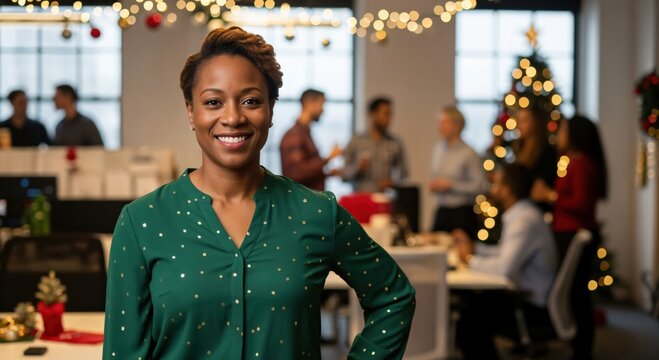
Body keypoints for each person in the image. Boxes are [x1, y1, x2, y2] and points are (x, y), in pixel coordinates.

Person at [103, 27, 415, 360]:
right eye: (213, 102)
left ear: (270, 109)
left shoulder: (316, 212)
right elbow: (123, 351)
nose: (233, 117)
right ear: (191, 112)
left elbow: (393, 296)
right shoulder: (143, 222)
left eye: (250, 101)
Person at [453, 163, 558, 360]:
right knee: (470, 306)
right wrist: (475, 248)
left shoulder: (523, 220)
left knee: (471, 317)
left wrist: (470, 259)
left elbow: (504, 269)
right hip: (524, 297)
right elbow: (504, 253)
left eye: (497, 184)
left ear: (507, 190)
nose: (493, 189)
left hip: (529, 306)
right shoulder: (522, 214)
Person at [534, 115, 607, 360]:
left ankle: (583, 350)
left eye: (564, 128)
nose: (560, 133)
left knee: (577, 293)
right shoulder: (573, 161)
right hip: (568, 231)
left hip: (575, 234)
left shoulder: (581, 163)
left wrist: (550, 196)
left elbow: (582, 203)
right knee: (574, 292)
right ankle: (579, 346)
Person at [428, 106, 485, 237]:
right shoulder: (438, 149)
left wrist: (451, 185)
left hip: (462, 213)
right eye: (439, 123)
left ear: (457, 125)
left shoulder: (468, 153)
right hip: (442, 210)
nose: (439, 127)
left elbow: (479, 186)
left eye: (443, 122)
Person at [342, 97, 408, 192]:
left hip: (386, 199)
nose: (389, 119)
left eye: (390, 114)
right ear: (373, 114)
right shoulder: (356, 141)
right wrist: (357, 168)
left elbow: (403, 173)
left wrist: (392, 182)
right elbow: (344, 174)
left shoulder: (395, 142)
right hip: (361, 199)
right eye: (386, 114)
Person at [279, 89, 341, 191]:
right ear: (310, 104)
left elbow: (307, 174)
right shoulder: (294, 135)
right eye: (322, 104)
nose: (323, 110)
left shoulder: (304, 133)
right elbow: (297, 173)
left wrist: (327, 174)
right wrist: (329, 158)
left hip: (308, 200)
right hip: (301, 203)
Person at [513, 106, 556, 203]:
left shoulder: (546, 150)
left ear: (535, 122)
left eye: (525, 121)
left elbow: (542, 187)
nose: (519, 125)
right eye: (518, 121)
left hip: (536, 205)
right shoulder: (518, 147)